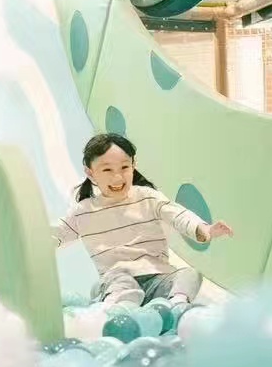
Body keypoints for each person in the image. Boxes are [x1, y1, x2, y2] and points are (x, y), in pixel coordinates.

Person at [53, 132, 233, 308]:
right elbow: (56, 234)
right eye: (107, 169)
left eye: (124, 167)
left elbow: (178, 215)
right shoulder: (83, 211)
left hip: (158, 277)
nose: (118, 177)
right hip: (117, 279)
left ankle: (176, 305)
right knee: (120, 283)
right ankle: (118, 308)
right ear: (90, 173)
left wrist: (205, 229)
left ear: (133, 165)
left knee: (190, 274)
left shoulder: (148, 197)